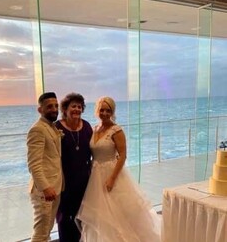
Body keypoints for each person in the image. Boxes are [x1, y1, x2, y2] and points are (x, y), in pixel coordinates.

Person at [76, 96, 161, 242]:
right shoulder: (94, 129)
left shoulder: (117, 130)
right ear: (97, 111)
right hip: (95, 175)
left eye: (108, 110)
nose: (104, 113)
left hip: (112, 173)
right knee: (101, 214)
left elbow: (122, 156)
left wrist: (112, 179)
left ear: (112, 112)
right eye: (102, 110)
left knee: (118, 213)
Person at [55, 93, 93, 242]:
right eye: (73, 106)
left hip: (85, 178)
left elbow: (94, 150)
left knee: (84, 215)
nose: (76, 109)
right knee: (64, 218)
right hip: (65, 180)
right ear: (65, 109)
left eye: (79, 106)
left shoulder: (87, 126)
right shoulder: (57, 127)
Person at [27, 92, 63, 242]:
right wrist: (45, 187)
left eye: (56, 106)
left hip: (55, 187)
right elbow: (34, 164)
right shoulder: (37, 129)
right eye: (49, 107)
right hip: (45, 191)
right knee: (41, 233)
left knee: (47, 230)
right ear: (40, 110)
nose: (54, 109)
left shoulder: (51, 126)